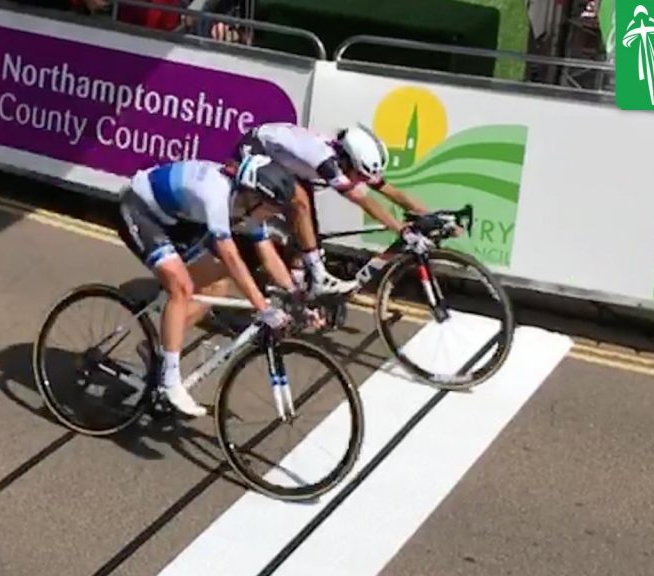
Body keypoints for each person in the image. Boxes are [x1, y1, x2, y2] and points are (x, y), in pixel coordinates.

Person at [116, 154, 307, 417]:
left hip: (179, 220)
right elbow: (231, 257)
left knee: (217, 287)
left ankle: (156, 347)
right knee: (180, 287)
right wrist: (263, 307)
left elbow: (267, 253)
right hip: (140, 209)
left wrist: (297, 295)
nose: (273, 215)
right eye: (272, 208)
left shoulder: (247, 203)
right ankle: (171, 382)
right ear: (254, 196)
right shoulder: (216, 195)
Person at [232, 122, 456, 296]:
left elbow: (392, 192)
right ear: (347, 160)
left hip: (287, 164)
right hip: (255, 151)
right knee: (299, 202)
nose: (361, 180)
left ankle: (294, 287)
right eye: (358, 174)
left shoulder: (351, 162)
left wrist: (434, 217)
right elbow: (363, 200)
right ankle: (319, 277)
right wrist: (402, 230)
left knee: (309, 231)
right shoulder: (325, 160)